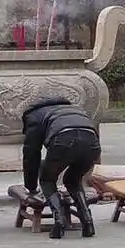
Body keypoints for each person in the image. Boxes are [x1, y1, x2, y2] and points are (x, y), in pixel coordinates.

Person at [21, 97, 101, 239]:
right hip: (92, 143)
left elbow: (31, 155)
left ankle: (59, 221)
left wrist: (31, 187)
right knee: (73, 180)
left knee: (47, 179)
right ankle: (88, 222)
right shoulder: (75, 109)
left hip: (63, 141)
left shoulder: (34, 116)